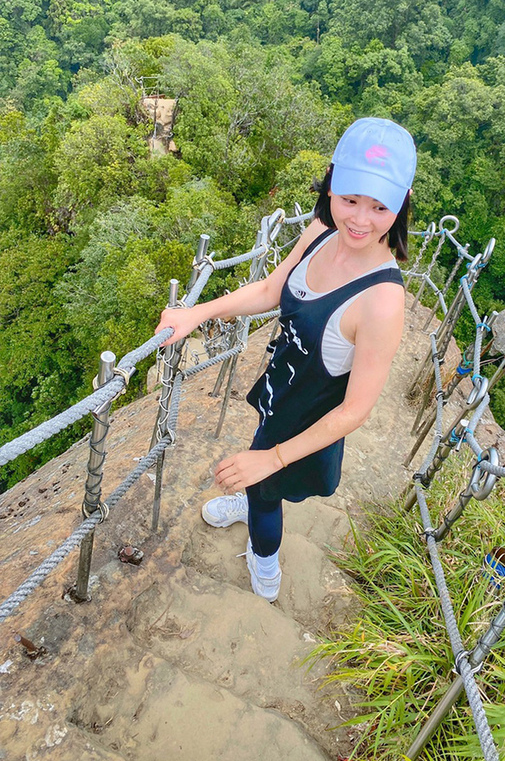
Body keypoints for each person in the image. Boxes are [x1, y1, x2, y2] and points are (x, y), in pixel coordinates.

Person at [156, 117, 416, 602]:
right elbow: (272, 290)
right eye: (350, 199)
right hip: (283, 385)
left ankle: (265, 563)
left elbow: (355, 411)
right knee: (256, 467)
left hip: (312, 417)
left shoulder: (381, 301)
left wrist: (270, 460)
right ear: (332, 185)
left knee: (264, 486)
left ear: (401, 203)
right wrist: (197, 313)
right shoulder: (321, 231)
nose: (359, 219)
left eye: (379, 206)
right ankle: (252, 496)